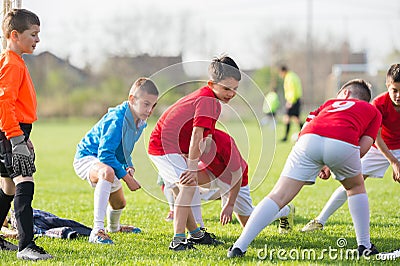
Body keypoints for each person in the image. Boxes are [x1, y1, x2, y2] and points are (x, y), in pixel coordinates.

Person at [227, 79, 382, 258]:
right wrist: (335, 162)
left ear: (345, 94)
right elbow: (363, 148)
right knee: (355, 188)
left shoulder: (329, 104)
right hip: (343, 142)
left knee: (278, 195)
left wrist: (319, 160)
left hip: (308, 139)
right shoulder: (373, 111)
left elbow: (307, 124)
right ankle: (364, 246)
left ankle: (239, 246)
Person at [148, 55, 241, 251]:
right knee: (189, 186)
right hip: (163, 147)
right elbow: (196, 136)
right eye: (226, 88)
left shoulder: (211, 100)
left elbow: (200, 137)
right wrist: (192, 168)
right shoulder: (208, 100)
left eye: (235, 89)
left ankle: (196, 235)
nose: (231, 93)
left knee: (183, 188)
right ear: (212, 83)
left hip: (167, 148)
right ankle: (178, 240)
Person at [301, 63, 400, 232]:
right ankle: (320, 220)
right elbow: (375, 137)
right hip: (380, 147)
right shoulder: (378, 105)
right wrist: (393, 161)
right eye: (395, 90)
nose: (398, 95)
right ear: (387, 86)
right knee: (352, 182)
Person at [73, 77, 158, 244]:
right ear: (132, 100)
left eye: (153, 105)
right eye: (146, 104)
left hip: (106, 160)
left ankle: (114, 227)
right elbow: (105, 154)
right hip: (88, 157)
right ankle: (97, 231)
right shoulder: (117, 118)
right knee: (107, 171)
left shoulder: (140, 122)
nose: (150, 110)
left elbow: (123, 151)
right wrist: (127, 179)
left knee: (119, 204)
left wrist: (129, 166)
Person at [0, 9, 53, 260]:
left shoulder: (16, 61)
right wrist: (15, 137)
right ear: (14, 34)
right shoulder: (11, 63)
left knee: (9, 187)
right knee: (24, 184)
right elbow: (4, 104)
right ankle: (26, 246)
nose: (37, 40)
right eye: (33, 34)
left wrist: (22, 134)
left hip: (15, 131)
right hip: (11, 133)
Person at [197, 128, 294, 231]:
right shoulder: (191, 136)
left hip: (233, 179)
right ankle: (196, 232)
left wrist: (230, 205)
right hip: (211, 172)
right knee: (187, 178)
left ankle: (285, 211)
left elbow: (237, 175)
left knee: (248, 224)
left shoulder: (224, 142)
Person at [279, 66, 303, 142]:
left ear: (283, 71)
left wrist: (290, 101)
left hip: (293, 101)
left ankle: (285, 137)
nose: (280, 75)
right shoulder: (293, 75)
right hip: (296, 100)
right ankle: (304, 134)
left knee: (287, 118)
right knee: (296, 119)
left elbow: (292, 90)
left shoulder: (289, 78)